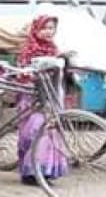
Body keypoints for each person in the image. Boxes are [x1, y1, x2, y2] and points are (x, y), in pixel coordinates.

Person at [14, 15, 69, 185]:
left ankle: (45, 171)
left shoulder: (54, 50)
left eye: (51, 28)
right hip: (32, 97)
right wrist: (33, 75)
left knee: (51, 131)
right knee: (35, 130)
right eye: (44, 28)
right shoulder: (28, 50)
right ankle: (30, 172)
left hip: (50, 96)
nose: (48, 32)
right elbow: (21, 73)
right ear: (36, 30)